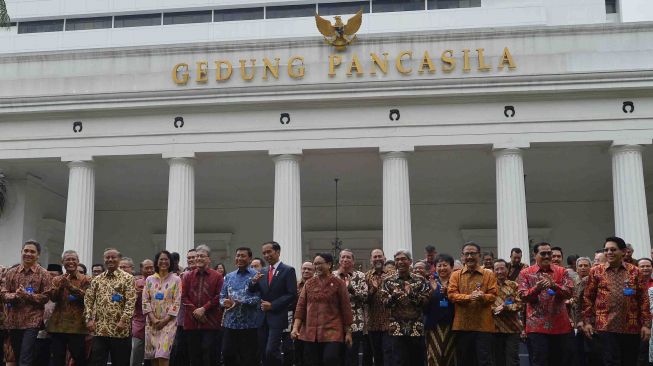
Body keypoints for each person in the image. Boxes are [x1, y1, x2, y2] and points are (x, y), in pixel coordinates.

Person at [583, 236, 651, 365]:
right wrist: (587, 322)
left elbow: (643, 299)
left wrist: (646, 325)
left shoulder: (635, 271)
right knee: (610, 362)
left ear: (623, 252)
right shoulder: (595, 271)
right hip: (605, 326)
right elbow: (588, 298)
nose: (609, 253)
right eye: (606, 250)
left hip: (631, 326)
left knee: (629, 361)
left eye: (613, 250)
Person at [517, 242, 573, 366]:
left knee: (559, 361)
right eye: (543, 253)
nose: (547, 256)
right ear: (535, 255)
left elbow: (569, 293)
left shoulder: (562, 271)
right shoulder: (525, 273)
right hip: (536, 327)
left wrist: (554, 285)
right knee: (539, 362)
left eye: (549, 253)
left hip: (560, 326)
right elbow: (522, 296)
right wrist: (536, 289)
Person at [291, 253, 353, 366]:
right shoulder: (309, 283)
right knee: (312, 362)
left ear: (329, 264)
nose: (317, 266)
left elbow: (346, 308)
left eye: (319, 263)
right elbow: (300, 307)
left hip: (332, 332)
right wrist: (295, 328)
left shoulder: (339, 283)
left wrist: (348, 332)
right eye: (315, 264)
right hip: (310, 333)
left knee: (330, 359)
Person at [1, 240, 52, 366]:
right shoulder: (11, 272)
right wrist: (14, 295)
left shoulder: (44, 274)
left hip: (32, 321)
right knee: (18, 355)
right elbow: (3, 293)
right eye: (26, 251)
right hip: (13, 321)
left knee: (25, 355)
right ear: (21, 252)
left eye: (32, 252)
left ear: (38, 255)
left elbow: (46, 297)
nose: (28, 254)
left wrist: (27, 296)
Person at [448, 241, 497, 366]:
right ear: (462, 256)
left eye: (473, 253)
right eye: (467, 254)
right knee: (464, 361)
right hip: (462, 326)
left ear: (479, 255)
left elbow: (493, 296)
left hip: (484, 326)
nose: (469, 257)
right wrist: (469, 297)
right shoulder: (455, 275)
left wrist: (482, 296)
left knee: (484, 361)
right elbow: (451, 295)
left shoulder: (488, 274)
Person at [85, 248, 137, 366]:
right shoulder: (97, 279)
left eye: (113, 257)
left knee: (120, 362)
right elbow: (89, 300)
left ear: (119, 259)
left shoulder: (128, 278)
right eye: (107, 257)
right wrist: (89, 319)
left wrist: (124, 320)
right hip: (99, 330)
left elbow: (130, 301)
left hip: (120, 330)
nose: (110, 259)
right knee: (96, 362)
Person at [249, 241, 297, 366]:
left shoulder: (288, 270)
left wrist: (273, 305)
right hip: (261, 317)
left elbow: (291, 294)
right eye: (264, 253)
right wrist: (253, 282)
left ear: (278, 252)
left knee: (271, 350)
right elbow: (252, 290)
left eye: (269, 251)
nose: (266, 255)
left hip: (277, 316)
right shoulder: (262, 271)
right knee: (263, 351)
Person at [381, 249, 431, 366]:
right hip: (397, 329)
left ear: (410, 261)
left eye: (403, 259)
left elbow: (425, 303)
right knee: (399, 361)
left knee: (417, 361)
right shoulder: (388, 281)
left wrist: (411, 294)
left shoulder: (421, 280)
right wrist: (393, 296)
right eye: (397, 260)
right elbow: (385, 304)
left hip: (416, 329)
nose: (400, 262)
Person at [47, 250, 91, 366]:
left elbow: (89, 298)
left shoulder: (87, 279)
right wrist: (60, 287)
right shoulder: (56, 279)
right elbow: (53, 298)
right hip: (58, 326)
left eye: (73, 259)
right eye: (68, 259)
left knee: (80, 359)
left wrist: (70, 287)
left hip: (78, 326)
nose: (71, 262)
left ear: (78, 262)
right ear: (62, 262)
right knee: (57, 359)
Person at [182, 244, 223, 366]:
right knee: (194, 356)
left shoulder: (217, 276)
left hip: (210, 322)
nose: (198, 258)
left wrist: (204, 309)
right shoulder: (188, 276)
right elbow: (183, 297)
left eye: (202, 256)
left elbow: (219, 296)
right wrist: (196, 311)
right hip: (191, 322)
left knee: (210, 355)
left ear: (209, 259)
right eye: (197, 256)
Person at [220, 247, 262, 366]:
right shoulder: (229, 276)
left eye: (243, 256)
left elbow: (259, 298)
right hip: (230, 324)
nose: (239, 258)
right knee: (228, 355)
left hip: (249, 325)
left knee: (248, 359)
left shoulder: (257, 276)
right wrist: (225, 303)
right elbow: (222, 296)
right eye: (237, 255)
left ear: (249, 259)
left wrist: (241, 301)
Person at [143, 251, 181, 366]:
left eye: (166, 259)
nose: (163, 262)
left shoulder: (176, 280)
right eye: (161, 259)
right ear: (156, 262)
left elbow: (177, 301)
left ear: (170, 262)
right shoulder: (149, 279)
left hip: (168, 323)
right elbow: (145, 300)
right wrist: (153, 319)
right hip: (152, 323)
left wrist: (164, 321)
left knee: (163, 354)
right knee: (153, 355)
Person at [334, 249, 368, 366]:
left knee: (352, 355)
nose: (345, 259)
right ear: (339, 260)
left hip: (355, 322)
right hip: (335, 322)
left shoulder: (360, 276)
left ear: (353, 261)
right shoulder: (332, 276)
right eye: (343, 257)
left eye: (348, 257)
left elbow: (365, 297)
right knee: (336, 355)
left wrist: (351, 290)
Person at [424, 254, 456, 366]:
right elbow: (424, 308)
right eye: (439, 265)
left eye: (445, 265)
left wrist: (448, 293)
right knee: (434, 356)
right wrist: (431, 293)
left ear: (451, 267)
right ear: (435, 268)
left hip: (452, 325)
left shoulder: (456, 283)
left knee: (451, 356)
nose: (442, 268)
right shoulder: (429, 283)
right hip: (434, 326)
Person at [492, 259, 522, 366]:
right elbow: (484, 304)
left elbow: (520, 304)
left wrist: (506, 307)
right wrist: (494, 309)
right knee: (497, 360)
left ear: (507, 269)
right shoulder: (489, 286)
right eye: (497, 269)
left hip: (512, 329)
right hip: (494, 329)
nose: (500, 271)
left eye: (502, 268)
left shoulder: (514, 285)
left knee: (512, 360)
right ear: (493, 271)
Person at [169, 249, 197, 366]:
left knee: (196, 354)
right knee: (180, 353)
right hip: (181, 321)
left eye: (193, 257)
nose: (190, 260)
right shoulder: (181, 276)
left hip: (198, 321)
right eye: (189, 258)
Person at [365, 249, 392, 366]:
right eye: (374, 257)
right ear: (371, 260)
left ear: (384, 258)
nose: (377, 259)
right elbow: (364, 299)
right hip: (373, 323)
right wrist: (373, 290)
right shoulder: (366, 276)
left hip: (390, 323)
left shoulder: (392, 275)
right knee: (377, 354)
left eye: (379, 256)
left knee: (389, 353)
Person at [132, 259, 155, 366]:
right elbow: (130, 304)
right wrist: (136, 295)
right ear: (141, 269)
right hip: (139, 324)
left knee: (153, 357)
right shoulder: (136, 284)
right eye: (147, 268)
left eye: (151, 267)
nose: (150, 270)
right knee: (135, 353)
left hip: (155, 324)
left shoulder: (159, 283)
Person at [294, 262, 315, 366]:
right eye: (304, 269)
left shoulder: (316, 285)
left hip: (312, 324)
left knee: (310, 353)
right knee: (298, 352)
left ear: (314, 271)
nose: (306, 271)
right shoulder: (296, 285)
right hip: (297, 323)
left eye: (309, 269)